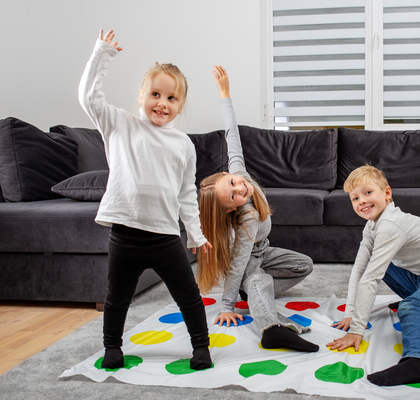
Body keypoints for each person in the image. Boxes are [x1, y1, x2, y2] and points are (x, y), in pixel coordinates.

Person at [79, 29, 212, 370]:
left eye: (171, 98)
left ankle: (201, 347)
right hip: (125, 234)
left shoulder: (184, 145)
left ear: (181, 105)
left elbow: (186, 194)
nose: (161, 104)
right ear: (141, 95)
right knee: (117, 299)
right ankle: (113, 347)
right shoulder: (119, 125)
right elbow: (87, 98)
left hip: (166, 236)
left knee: (189, 297)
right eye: (155, 94)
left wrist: (195, 234)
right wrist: (102, 54)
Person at [197, 65, 318, 353]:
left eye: (233, 183)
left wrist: (225, 94)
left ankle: (251, 290)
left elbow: (232, 137)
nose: (241, 189)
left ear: (229, 173)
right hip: (249, 256)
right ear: (230, 210)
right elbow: (238, 261)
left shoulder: (241, 173)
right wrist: (226, 306)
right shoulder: (247, 219)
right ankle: (272, 329)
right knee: (256, 277)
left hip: (264, 250)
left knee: (304, 264)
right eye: (234, 196)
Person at [326, 165, 420, 386]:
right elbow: (360, 270)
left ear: (387, 193)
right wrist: (352, 314)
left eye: (367, 192)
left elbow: (371, 278)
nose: (361, 201)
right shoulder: (372, 225)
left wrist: (357, 331)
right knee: (373, 266)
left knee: (410, 307)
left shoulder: (391, 224)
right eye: (355, 198)